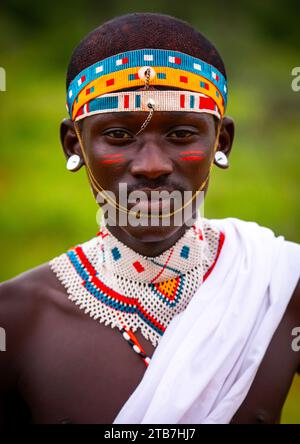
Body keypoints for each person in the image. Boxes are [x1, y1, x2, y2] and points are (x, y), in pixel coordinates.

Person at [0, 12, 299, 425]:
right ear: (74, 144)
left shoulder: (279, 287)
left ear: (221, 141)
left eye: (181, 134)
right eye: (119, 136)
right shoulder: (15, 320)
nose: (153, 166)